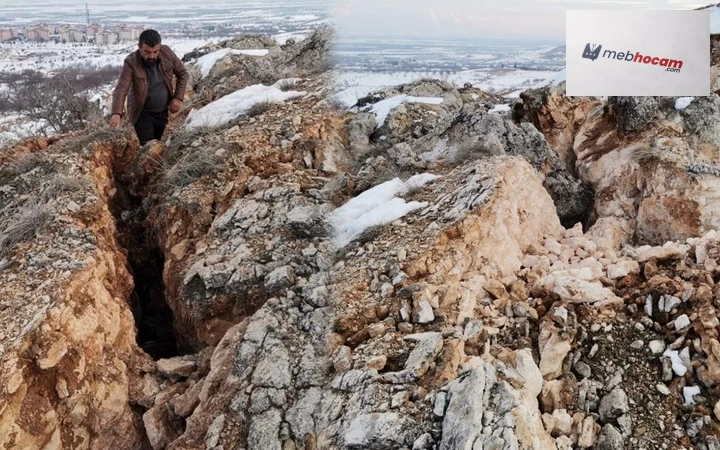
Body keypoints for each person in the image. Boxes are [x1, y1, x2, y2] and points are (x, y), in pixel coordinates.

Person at [110, 29, 189, 145]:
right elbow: (122, 88)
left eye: (155, 51)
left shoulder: (167, 53)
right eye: (147, 52)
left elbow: (183, 74)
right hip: (142, 113)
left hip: (163, 111)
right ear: (139, 47)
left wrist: (178, 98)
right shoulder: (131, 62)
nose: (152, 56)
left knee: (158, 142)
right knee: (148, 146)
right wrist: (116, 112)